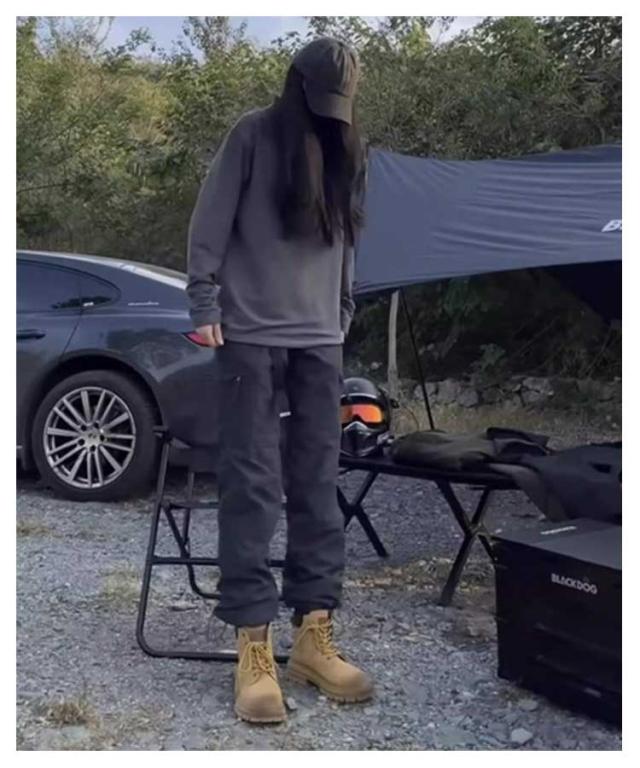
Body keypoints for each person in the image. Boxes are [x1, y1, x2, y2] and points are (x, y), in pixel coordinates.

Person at [186, 37, 373, 723]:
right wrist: (204, 303)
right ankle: (254, 646)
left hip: (320, 339)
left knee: (318, 485)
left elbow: (348, 239)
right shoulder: (253, 134)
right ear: (296, 85)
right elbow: (209, 219)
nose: (329, 114)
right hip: (250, 337)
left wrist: (342, 311)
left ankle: (314, 637)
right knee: (253, 486)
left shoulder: (349, 148)